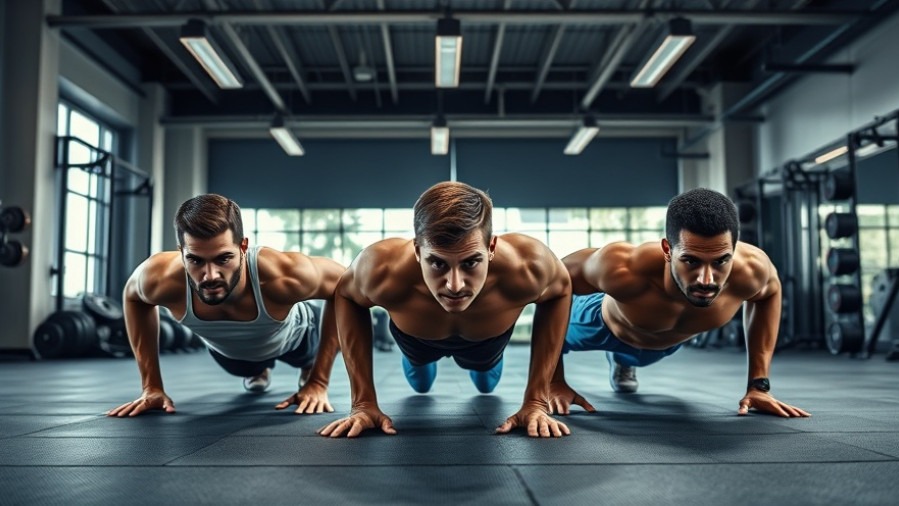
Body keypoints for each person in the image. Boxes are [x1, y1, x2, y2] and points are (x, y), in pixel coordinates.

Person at [318, 181, 575, 438]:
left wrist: (536, 401)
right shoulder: (381, 269)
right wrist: (363, 404)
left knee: (486, 385)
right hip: (415, 342)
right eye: (438, 263)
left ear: (491, 248)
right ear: (418, 251)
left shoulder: (528, 265)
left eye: (471, 262)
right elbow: (346, 295)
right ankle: (417, 362)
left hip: (487, 344)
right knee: (420, 384)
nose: (454, 285)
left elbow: (561, 290)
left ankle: (486, 364)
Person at [548, 187, 810, 418]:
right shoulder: (622, 266)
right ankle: (619, 357)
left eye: (720, 261)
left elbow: (770, 294)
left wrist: (759, 385)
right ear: (667, 250)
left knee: (638, 354)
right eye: (691, 261)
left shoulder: (752, 270)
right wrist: (552, 381)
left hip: (663, 345)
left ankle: (623, 361)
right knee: (563, 330)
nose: (707, 280)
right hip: (599, 324)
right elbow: (549, 285)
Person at [107, 194, 345, 417]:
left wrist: (319, 381)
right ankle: (258, 369)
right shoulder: (160, 278)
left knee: (306, 355)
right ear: (182, 252)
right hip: (233, 354)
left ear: (243, 247)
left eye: (223, 258)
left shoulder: (283, 274)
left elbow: (343, 286)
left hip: (298, 338)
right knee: (242, 368)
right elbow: (134, 298)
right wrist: (152, 387)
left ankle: (308, 367)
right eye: (195, 260)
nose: (210, 275)